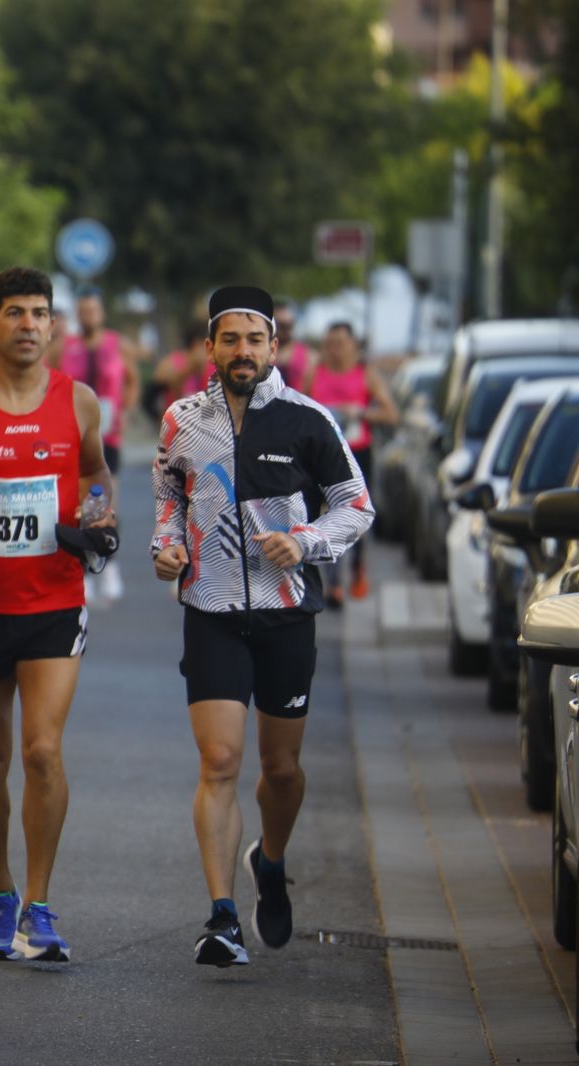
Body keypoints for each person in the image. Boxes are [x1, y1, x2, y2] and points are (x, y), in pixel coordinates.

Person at [151, 285, 373, 968]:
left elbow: (356, 507)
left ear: (273, 347)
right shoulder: (181, 420)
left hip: (285, 616)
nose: (241, 352)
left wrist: (306, 541)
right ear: (210, 347)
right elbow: (168, 498)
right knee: (219, 761)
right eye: (229, 339)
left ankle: (269, 860)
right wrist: (167, 548)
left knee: (281, 770)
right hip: (211, 612)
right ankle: (221, 917)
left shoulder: (309, 420)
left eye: (254, 340)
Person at [0, 266, 117, 966]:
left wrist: (97, 520)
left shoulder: (80, 402)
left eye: (41, 313)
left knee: (41, 751)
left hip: (55, 601)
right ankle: (0, 892)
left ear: (54, 324)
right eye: (16, 313)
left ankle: (38, 904)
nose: (30, 325)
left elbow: (96, 472)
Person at [305, 322, 398, 606]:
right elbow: (296, 407)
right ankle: (333, 582)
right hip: (322, 454)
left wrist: (359, 413)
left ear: (353, 346)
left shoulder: (365, 374)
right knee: (326, 514)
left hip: (357, 453)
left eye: (340, 343)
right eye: (329, 343)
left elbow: (390, 414)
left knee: (354, 513)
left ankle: (357, 563)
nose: (334, 349)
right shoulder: (314, 373)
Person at [60, 287, 136, 601]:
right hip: (74, 435)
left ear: (101, 313)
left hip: (108, 435)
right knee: (78, 505)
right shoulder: (65, 347)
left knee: (105, 503)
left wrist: (126, 411)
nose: (87, 316)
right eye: (83, 311)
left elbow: (131, 380)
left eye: (92, 310)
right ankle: (84, 567)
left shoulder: (118, 344)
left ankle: (110, 564)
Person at [152, 319, 213, 411]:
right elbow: (161, 384)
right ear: (197, 343)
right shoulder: (172, 362)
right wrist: (189, 369)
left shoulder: (212, 365)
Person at [272, 300, 315, 392]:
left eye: (288, 325)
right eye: (281, 326)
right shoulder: (263, 352)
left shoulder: (307, 355)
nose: (285, 330)